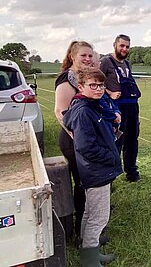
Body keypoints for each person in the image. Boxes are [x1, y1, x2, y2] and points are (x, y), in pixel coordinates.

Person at [63, 67, 122, 266]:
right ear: (81, 87)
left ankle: (89, 248)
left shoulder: (92, 105)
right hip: (96, 170)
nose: (98, 89)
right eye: (93, 85)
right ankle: (89, 260)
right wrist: (111, 157)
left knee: (89, 212)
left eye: (101, 85)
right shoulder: (83, 112)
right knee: (99, 217)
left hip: (95, 169)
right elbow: (86, 147)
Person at [54, 40, 94, 240]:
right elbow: (61, 113)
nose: (88, 59)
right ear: (72, 56)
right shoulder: (66, 79)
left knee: (86, 184)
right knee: (82, 184)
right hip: (73, 141)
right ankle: (81, 234)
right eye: (83, 56)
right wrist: (79, 139)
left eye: (90, 55)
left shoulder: (81, 76)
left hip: (83, 140)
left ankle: (85, 231)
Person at [100, 34, 141, 182]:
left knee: (132, 140)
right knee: (116, 140)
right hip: (116, 108)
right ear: (114, 45)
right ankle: (112, 174)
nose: (124, 49)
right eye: (122, 46)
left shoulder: (127, 64)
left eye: (127, 47)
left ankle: (131, 172)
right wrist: (110, 93)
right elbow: (95, 83)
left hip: (132, 106)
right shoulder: (105, 62)